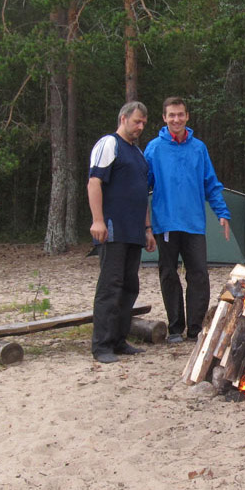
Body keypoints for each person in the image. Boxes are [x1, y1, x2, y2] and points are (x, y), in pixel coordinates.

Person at [145, 97, 231, 343]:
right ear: (164, 118)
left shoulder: (198, 148)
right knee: (168, 274)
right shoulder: (154, 148)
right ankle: (175, 328)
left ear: (187, 116)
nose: (176, 119)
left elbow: (211, 184)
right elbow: (141, 186)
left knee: (199, 275)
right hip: (166, 223)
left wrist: (222, 213)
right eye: (171, 115)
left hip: (194, 223)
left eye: (180, 114)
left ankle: (195, 329)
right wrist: (144, 224)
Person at [87, 101, 156, 364]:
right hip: (113, 229)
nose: (140, 127)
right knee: (110, 286)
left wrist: (147, 229)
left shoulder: (137, 153)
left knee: (129, 287)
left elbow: (142, 195)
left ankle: (119, 340)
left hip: (134, 231)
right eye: (137, 121)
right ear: (123, 118)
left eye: (143, 123)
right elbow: (94, 182)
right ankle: (101, 346)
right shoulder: (109, 144)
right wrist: (98, 220)